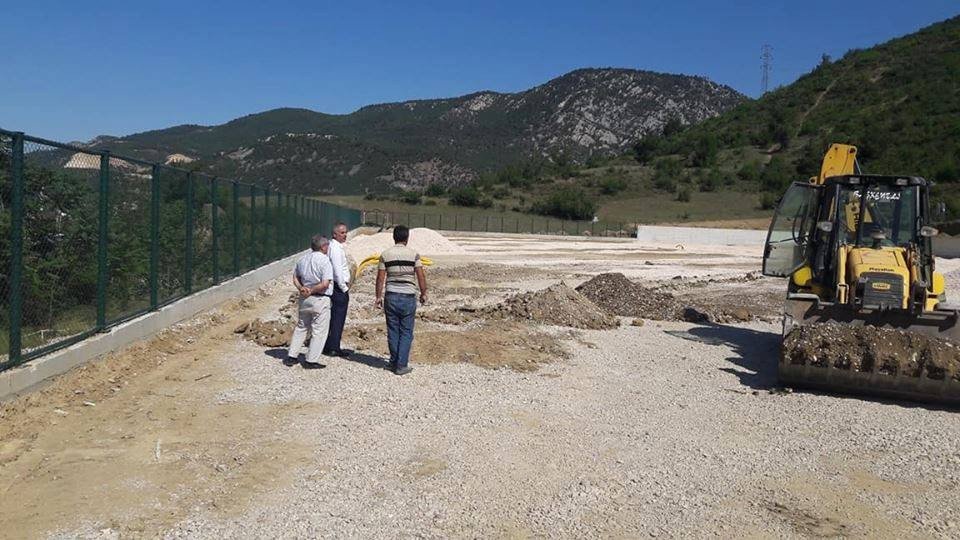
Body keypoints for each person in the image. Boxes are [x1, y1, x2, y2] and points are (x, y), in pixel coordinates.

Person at [375, 225, 428, 375]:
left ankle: (393, 362)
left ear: (394, 237)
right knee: (406, 331)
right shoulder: (414, 255)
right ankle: (401, 365)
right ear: (407, 238)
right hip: (408, 296)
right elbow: (420, 275)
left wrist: (378, 297)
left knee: (392, 330)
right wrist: (424, 293)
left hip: (391, 296)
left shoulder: (385, 255)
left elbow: (380, 278)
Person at [287, 235, 334, 369]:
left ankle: (292, 356)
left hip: (304, 298)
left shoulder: (302, 259)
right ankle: (311, 360)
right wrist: (312, 290)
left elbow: (295, 277)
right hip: (320, 298)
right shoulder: (325, 261)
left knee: (301, 326)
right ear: (323, 246)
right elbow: (325, 283)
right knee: (319, 330)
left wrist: (302, 288)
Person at [323, 222, 352, 357]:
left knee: (335, 317)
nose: (345, 235)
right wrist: (344, 288)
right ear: (335, 234)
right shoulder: (334, 248)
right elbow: (337, 270)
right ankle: (334, 347)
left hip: (337, 286)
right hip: (338, 288)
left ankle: (331, 344)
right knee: (338, 317)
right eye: (342, 233)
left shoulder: (336, 247)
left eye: (346, 232)